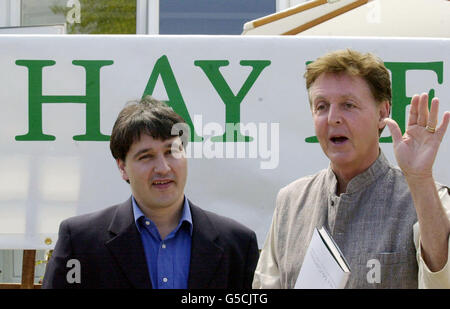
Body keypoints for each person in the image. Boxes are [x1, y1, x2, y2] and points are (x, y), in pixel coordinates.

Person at [253, 49, 450, 289]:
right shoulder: (291, 201)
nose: (333, 118)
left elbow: (442, 278)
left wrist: (420, 179)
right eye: (322, 106)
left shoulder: (428, 197)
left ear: (383, 113)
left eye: (348, 105)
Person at [42, 96, 259, 289]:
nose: (163, 167)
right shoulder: (81, 242)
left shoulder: (238, 244)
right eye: (146, 156)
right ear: (122, 167)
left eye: (171, 151)